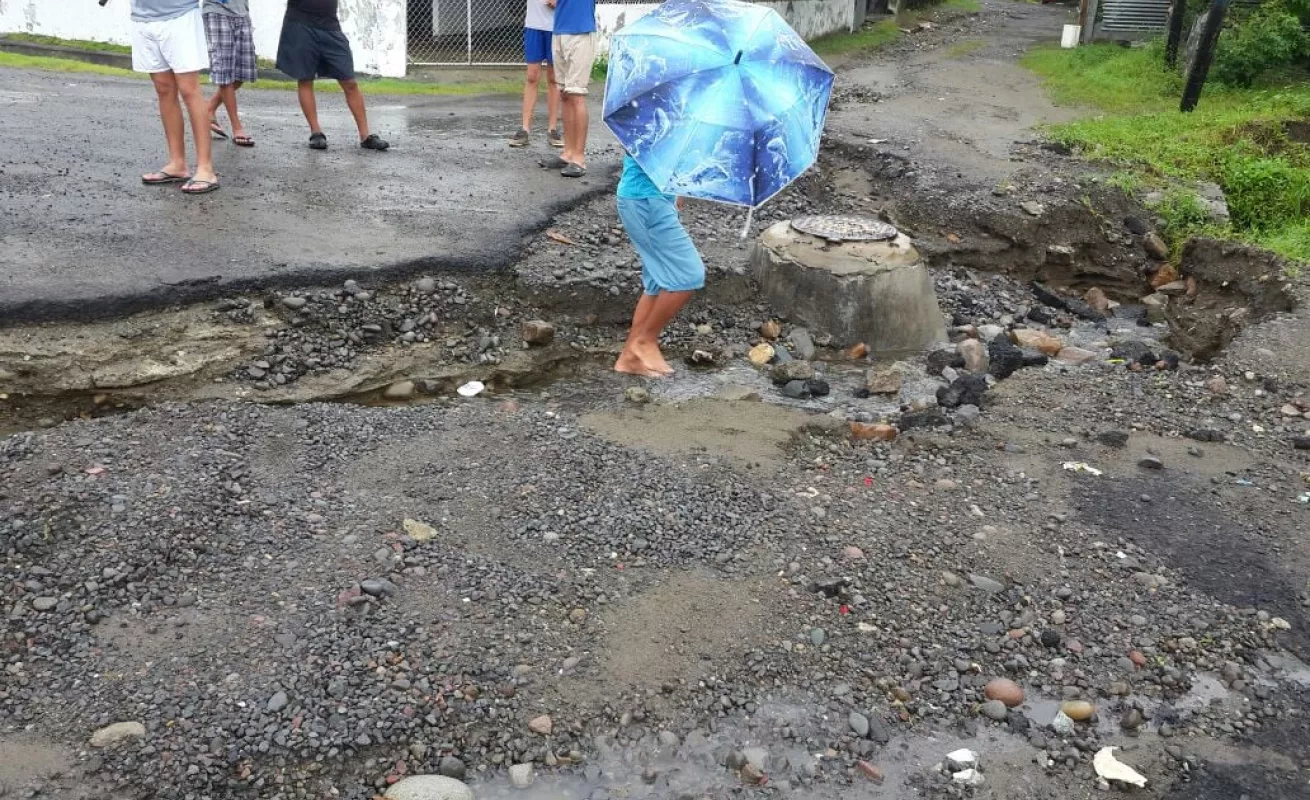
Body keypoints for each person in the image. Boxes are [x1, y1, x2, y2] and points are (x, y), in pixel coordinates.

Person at [613, 154, 704, 377]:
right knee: (688, 275)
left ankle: (629, 358)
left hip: (655, 198)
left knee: (656, 280)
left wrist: (679, 187)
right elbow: (646, 146)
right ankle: (645, 341)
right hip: (646, 199)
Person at [276, 0, 389, 151]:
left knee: (350, 82)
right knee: (305, 79)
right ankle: (316, 133)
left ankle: (365, 136)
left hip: (330, 25)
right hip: (300, 24)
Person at [131, 0, 220, 194]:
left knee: (189, 90)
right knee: (163, 88)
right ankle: (177, 164)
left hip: (180, 15)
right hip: (142, 17)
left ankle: (205, 169)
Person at [541, 0, 594, 177]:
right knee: (564, 94)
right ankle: (568, 153)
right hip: (559, 31)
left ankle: (579, 158)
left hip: (580, 32)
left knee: (577, 94)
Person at [509, 0, 562, 148]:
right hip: (534, 25)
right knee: (532, 77)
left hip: (556, 27)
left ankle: (552, 129)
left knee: (553, 78)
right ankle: (525, 129)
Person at [203, 0, 257, 147]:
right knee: (224, 73)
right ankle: (237, 128)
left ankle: (208, 110)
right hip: (217, 11)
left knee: (242, 74)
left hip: (242, 13)